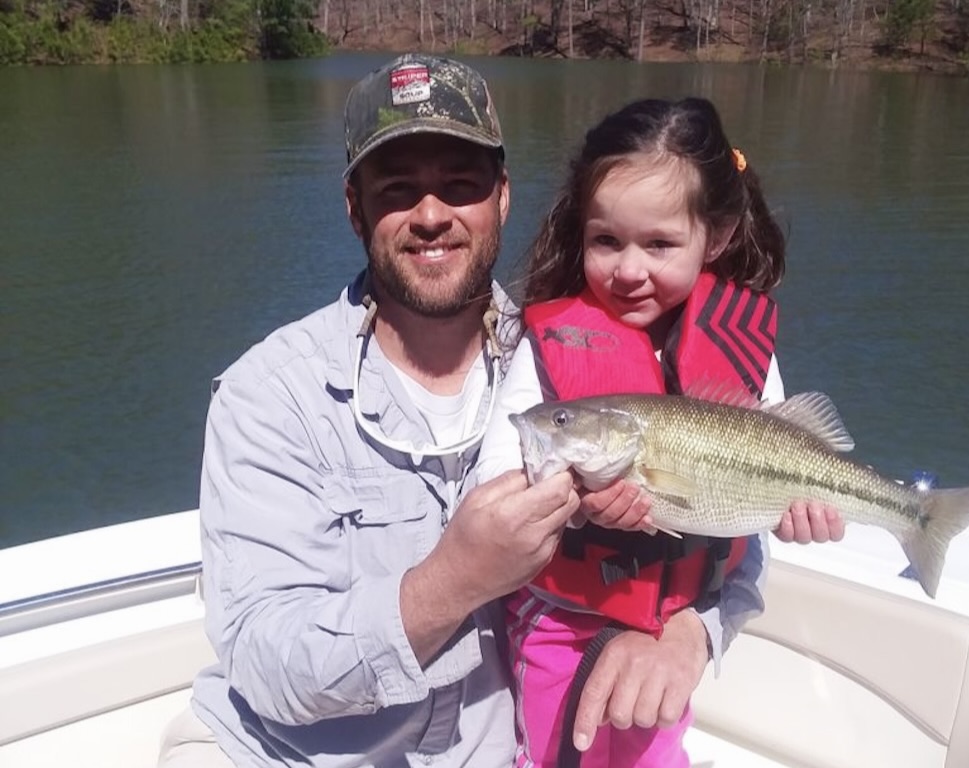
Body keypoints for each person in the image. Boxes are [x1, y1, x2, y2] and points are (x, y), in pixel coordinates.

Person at [158, 57, 840, 768]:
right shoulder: (269, 396)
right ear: (355, 207)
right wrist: (452, 581)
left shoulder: (563, 358)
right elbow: (266, 667)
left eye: (461, 185)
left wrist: (686, 635)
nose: (430, 215)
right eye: (397, 190)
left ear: (502, 198)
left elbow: (733, 511)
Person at [476, 97, 843, 768]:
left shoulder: (746, 353)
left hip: (673, 622)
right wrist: (573, 507)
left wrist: (800, 515)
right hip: (560, 625)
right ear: (579, 231)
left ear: (720, 235)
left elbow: (759, 498)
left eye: (661, 244)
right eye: (606, 240)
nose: (629, 269)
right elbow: (501, 474)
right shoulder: (549, 346)